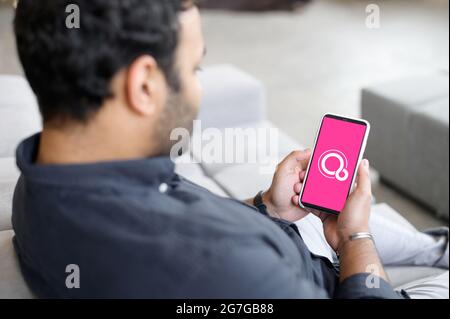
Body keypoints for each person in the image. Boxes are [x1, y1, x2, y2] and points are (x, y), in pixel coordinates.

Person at [11, 0, 447, 298]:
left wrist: (267, 208)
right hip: (335, 278)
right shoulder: (226, 270)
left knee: (328, 217)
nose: (198, 87)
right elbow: (218, 256)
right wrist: (354, 237)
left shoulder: (40, 178)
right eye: (194, 67)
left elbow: (197, 223)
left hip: (278, 237)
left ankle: (436, 248)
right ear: (144, 85)